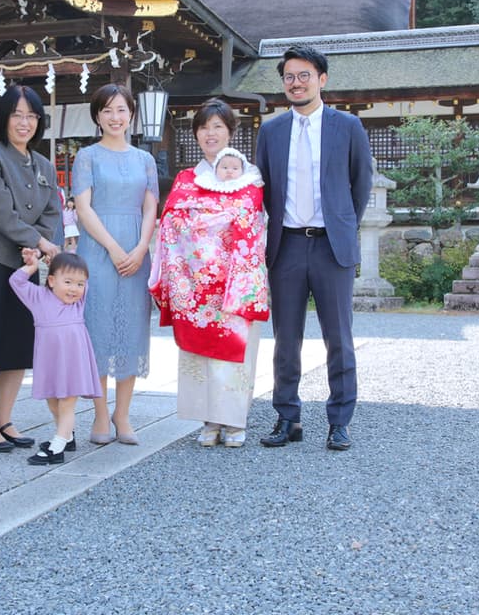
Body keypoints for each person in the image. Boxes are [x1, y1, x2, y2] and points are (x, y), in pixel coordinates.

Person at [254, 45, 373, 451]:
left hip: (331, 246)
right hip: (285, 246)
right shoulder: (270, 131)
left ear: (322, 79)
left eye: (304, 75)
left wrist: (341, 225)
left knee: (338, 338)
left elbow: (360, 185)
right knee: (286, 339)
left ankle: (339, 420)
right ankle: (287, 417)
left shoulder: (348, 127)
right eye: (288, 76)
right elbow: (263, 189)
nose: (296, 82)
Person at [150, 103, 269, 448]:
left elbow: (249, 221)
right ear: (197, 134)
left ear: (230, 132)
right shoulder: (188, 178)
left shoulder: (250, 177)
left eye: (218, 126)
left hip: (235, 281)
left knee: (235, 351)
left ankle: (233, 419)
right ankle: (208, 419)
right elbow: (172, 222)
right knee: (199, 355)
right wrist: (212, 225)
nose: (211, 133)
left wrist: (204, 223)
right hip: (194, 282)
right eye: (204, 128)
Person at [0, 84, 62, 453]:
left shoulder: (44, 165)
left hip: (25, 263)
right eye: (17, 114)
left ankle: (5, 418)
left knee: (18, 343)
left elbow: (51, 211)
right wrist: (38, 243)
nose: (24, 122)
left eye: (32, 116)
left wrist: (36, 245)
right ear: (3, 117)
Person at [72, 83, 159, 445]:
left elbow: (151, 205)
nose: (115, 117)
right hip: (97, 249)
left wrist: (140, 247)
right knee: (98, 331)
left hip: (136, 249)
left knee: (131, 331)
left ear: (131, 114)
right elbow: (83, 206)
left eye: (121, 109)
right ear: (97, 116)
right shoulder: (87, 156)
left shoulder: (145, 160)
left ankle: (123, 414)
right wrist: (111, 246)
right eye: (107, 110)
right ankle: (99, 414)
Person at [9, 248, 102, 465]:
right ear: (51, 280)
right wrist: (32, 266)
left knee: (67, 404)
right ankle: (67, 437)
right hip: (50, 360)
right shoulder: (38, 297)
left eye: (80, 284)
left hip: (73, 361)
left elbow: (81, 279)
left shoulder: (78, 303)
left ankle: (57, 447)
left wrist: (64, 255)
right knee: (53, 402)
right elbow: (16, 281)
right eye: (68, 282)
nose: (74, 289)